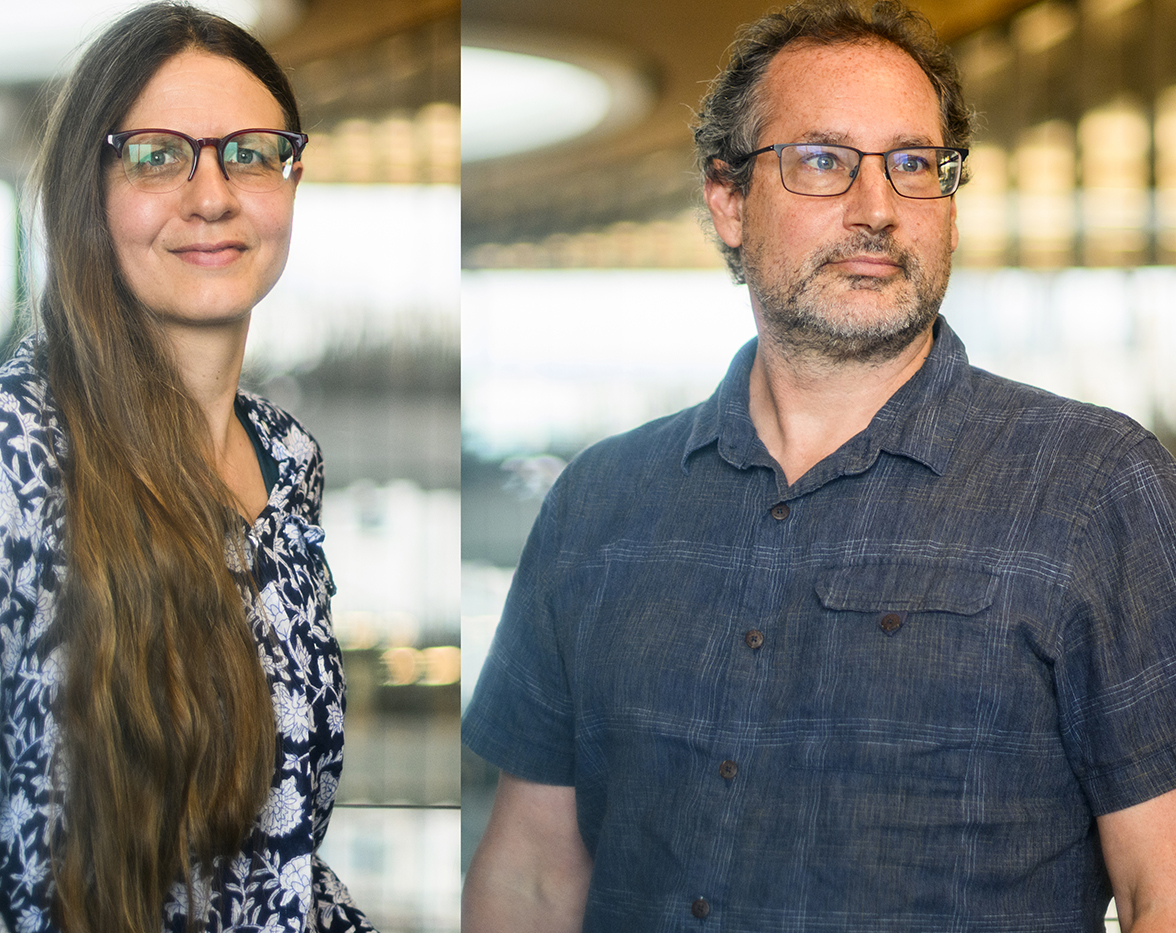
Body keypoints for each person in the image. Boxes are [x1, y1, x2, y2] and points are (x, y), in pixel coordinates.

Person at [461, 1, 1176, 930]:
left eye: (914, 165)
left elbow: (1161, 878)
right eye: (823, 161)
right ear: (727, 200)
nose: (877, 209)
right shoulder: (598, 503)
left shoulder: (1093, 486)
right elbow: (532, 875)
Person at [0, 5, 374, 931]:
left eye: (250, 151)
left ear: (292, 177)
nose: (212, 194)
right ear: (90, 188)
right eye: (158, 155)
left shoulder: (287, 460)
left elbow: (281, 859)